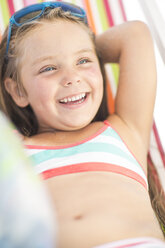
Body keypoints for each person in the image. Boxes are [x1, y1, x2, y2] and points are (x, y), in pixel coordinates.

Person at [0, 1, 165, 247]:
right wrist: (76, 49)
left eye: (83, 61)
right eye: (49, 68)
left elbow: (135, 34)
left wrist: (65, 42)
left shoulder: (126, 131)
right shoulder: (14, 151)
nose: (72, 77)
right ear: (17, 91)